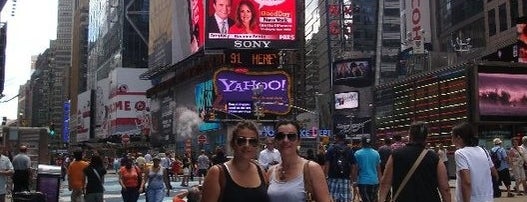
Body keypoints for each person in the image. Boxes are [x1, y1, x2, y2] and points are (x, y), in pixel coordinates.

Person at [378, 121, 451, 202]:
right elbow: (445, 188)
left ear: (410, 135)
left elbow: (385, 182)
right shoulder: (435, 158)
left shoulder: (396, 155)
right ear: (426, 137)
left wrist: (381, 199)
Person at [201, 121, 269, 202]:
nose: (247, 145)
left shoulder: (261, 171)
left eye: (252, 141)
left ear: (256, 145)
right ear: (233, 143)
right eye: (241, 141)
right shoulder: (217, 173)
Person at [267, 120, 331, 202]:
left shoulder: (311, 169)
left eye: (291, 136)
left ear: (298, 141)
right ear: (275, 141)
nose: (286, 140)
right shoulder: (271, 172)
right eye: (280, 136)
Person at [450, 122, 495, 202]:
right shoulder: (484, 150)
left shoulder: (460, 153)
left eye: (452, 137)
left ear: (459, 138)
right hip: (487, 198)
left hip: (472, 199)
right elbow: (494, 173)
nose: (451, 140)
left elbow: (466, 181)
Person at [324, 133, 354, 202]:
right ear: (344, 139)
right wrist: (352, 178)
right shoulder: (349, 150)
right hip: (345, 179)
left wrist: (325, 176)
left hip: (332, 178)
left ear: (336, 138)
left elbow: (327, 163)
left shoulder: (331, 149)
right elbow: (354, 165)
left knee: (331, 199)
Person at [352, 136, 381, 202]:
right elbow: (378, 169)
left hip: (363, 181)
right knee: (374, 199)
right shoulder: (376, 153)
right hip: (374, 181)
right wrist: (380, 181)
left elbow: (356, 169)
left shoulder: (357, 153)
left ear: (362, 143)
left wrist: (354, 181)